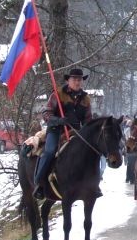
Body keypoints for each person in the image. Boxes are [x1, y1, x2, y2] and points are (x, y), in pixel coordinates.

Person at [33, 68, 93, 200]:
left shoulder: (86, 99)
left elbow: (88, 120)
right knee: (49, 151)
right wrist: (59, 120)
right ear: (68, 80)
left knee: (91, 151)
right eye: (74, 79)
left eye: (80, 80)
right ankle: (40, 183)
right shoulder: (58, 94)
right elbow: (46, 114)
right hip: (57, 130)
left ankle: (92, 184)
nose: (77, 82)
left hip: (76, 132)